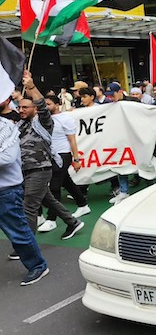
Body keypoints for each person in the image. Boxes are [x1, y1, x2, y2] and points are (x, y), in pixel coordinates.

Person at [18, 74, 84, 240]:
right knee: (48, 200)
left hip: (39, 169)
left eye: (26, 107)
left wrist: (32, 87)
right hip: (26, 169)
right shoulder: (21, 124)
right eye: (20, 107)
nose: (21, 110)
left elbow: (41, 104)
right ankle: (72, 222)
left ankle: (26, 244)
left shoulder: (44, 122)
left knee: (30, 206)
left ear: (35, 109)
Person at [0, 116, 50, 285]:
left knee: (18, 231)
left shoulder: (6, 127)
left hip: (6, 190)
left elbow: (7, 158)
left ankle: (37, 265)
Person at [38, 95, 90, 234]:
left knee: (54, 186)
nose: (46, 107)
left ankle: (51, 219)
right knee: (66, 181)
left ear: (57, 104)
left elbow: (72, 140)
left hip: (63, 154)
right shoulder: (42, 119)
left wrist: (76, 159)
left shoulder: (65, 118)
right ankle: (83, 204)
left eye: (49, 104)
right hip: (51, 155)